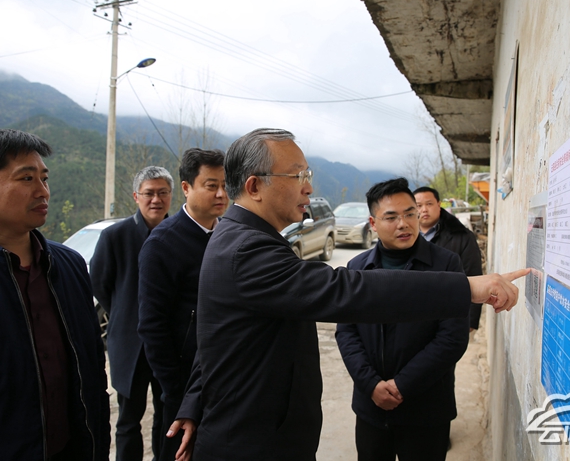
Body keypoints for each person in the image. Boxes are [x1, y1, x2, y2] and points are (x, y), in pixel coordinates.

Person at [176, 128, 527, 461]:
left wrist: (193, 403)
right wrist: (468, 287)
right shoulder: (247, 249)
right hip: (253, 443)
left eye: (307, 175)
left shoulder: (243, 238)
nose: (309, 187)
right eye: (298, 176)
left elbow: (216, 337)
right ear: (255, 186)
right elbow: (346, 292)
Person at [336, 178, 469, 461]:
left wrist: (402, 386)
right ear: (373, 223)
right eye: (391, 217)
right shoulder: (357, 268)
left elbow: (452, 337)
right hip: (371, 408)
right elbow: (346, 332)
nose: (403, 224)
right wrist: (371, 385)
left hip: (426, 408)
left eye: (410, 214)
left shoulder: (446, 265)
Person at [0, 129, 110, 460]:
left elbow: (93, 369)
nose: (43, 191)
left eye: (44, 178)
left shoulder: (69, 266)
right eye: (27, 178)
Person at [138, 148, 228, 461]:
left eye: (225, 185)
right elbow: (152, 326)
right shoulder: (162, 244)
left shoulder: (229, 236)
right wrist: (176, 392)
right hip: (184, 385)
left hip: (224, 378)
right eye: (211, 185)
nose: (221, 194)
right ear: (187, 188)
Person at [91, 166, 174, 461]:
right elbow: (100, 283)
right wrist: (125, 313)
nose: (156, 199)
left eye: (162, 193)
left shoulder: (178, 234)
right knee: (128, 420)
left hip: (170, 342)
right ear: (136, 196)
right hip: (129, 343)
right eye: (149, 193)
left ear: (171, 196)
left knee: (168, 416)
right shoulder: (115, 236)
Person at [414, 186, 484, 331]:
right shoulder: (405, 238)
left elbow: (474, 276)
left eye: (429, 204)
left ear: (439, 205)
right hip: (413, 317)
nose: (424, 210)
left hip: (449, 317)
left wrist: (470, 322)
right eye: (418, 206)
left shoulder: (462, 236)